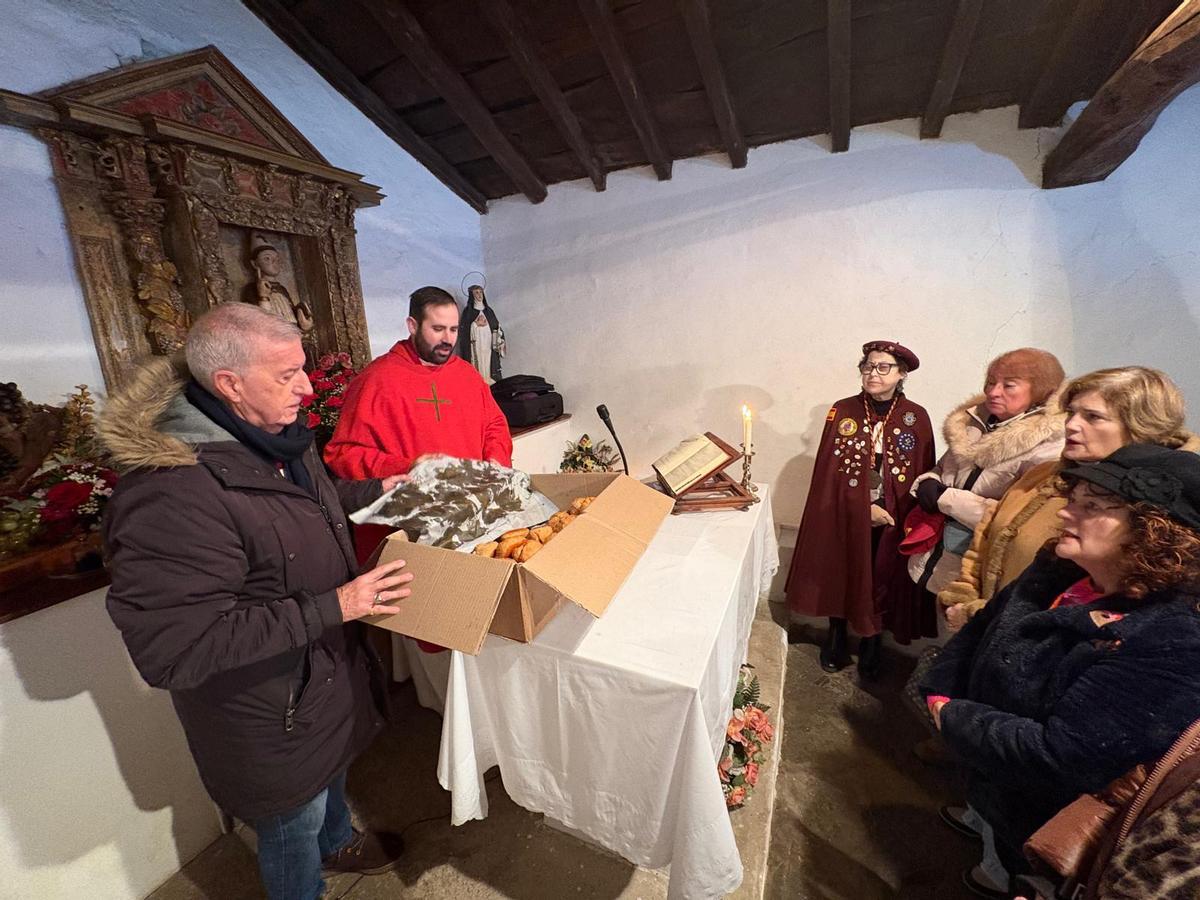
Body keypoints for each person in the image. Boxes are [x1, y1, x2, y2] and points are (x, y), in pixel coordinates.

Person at [99, 303, 413, 900]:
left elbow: (301, 509)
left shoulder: (275, 438)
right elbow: (174, 649)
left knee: (329, 781)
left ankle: (338, 841)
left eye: (303, 369)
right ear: (230, 385)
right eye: (287, 375)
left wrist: (381, 490)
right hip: (267, 709)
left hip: (318, 679)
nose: (307, 386)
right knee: (292, 824)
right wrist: (334, 607)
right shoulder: (172, 493)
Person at [921, 444, 1200, 898]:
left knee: (1019, 870)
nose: (1067, 514)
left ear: (1156, 533)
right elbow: (986, 627)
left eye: (1091, 506)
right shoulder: (1060, 569)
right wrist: (938, 690)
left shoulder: (1176, 638)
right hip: (991, 770)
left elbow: (1062, 757)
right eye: (1074, 498)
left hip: (1040, 821)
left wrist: (953, 717)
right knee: (992, 838)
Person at [938, 367, 1195, 629]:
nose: (1071, 425)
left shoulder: (1154, 511)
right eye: (1072, 412)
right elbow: (988, 534)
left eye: (1093, 417)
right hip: (989, 637)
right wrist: (964, 594)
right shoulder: (1043, 475)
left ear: (1141, 428)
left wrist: (982, 618)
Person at [785, 340, 936, 677]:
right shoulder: (843, 411)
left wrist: (889, 509)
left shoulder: (917, 418)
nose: (872, 373)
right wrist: (859, 508)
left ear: (901, 374)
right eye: (867, 366)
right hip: (845, 512)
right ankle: (836, 635)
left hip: (892, 514)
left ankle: (872, 640)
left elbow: (919, 473)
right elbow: (829, 474)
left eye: (883, 367)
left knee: (882, 573)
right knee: (841, 566)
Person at [908, 348, 1066, 597]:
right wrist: (930, 480)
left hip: (982, 566)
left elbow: (1020, 518)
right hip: (939, 556)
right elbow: (944, 467)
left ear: (1041, 390)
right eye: (991, 382)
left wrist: (946, 498)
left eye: (1009, 385)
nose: (993, 392)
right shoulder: (973, 421)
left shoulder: (1050, 445)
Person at [325, 285, 512, 482]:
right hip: (411, 504)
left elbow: (494, 425)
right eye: (438, 329)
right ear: (413, 326)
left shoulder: (467, 374)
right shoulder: (376, 379)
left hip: (474, 499)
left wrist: (495, 460)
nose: (448, 339)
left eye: (454, 329)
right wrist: (407, 468)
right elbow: (343, 453)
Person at [456, 283, 505, 384]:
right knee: (478, 367)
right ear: (471, 295)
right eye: (476, 293)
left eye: (481, 292)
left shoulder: (489, 311)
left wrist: (499, 342)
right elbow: (463, 332)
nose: (479, 295)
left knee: (489, 365)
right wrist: (475, 324)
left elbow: (497, 328)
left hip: (488, 345)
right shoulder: (468, 312)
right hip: (476, 346)